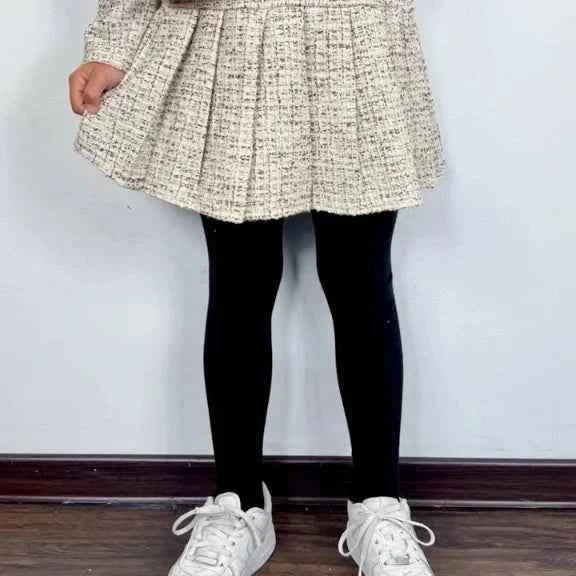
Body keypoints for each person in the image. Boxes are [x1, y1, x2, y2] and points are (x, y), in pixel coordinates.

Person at [68, 1, 445, 575]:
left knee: (361, 285)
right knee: (239, 288)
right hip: (236, 40)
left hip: (356, 37)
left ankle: (379, 502)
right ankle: (238, 502)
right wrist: (115, 44)